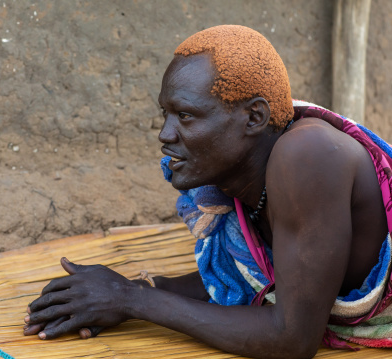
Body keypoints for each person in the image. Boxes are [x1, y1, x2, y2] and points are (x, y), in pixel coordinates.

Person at [23, 25, 392, 358]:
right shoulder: (242, 176)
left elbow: (292, 338)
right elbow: (252, 280)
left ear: (254, 118)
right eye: (164, 114)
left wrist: (131, 300)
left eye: (185, 116)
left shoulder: (306, 156)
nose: (165, 135)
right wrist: (121, 292)